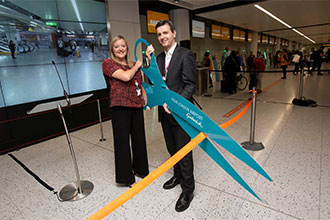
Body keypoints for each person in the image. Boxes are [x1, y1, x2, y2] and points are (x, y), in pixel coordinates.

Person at [146, 20, 196, 212]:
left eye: (165, 33)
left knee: (184, 152)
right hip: (164, 114)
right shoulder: (158, 58)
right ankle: (177, 176)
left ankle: (188, 190)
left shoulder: (186, 55)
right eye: (159, 34)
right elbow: (154, 83)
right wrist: (149, 61)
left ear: (174, 33)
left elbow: (190, 85)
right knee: (172, 149)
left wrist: (174, 104)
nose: (162, 37)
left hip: (181, 113)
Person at [102, 35, 149, 188]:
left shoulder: (133, 64)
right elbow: (126, 76)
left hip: (136, 106)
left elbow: (139, 83)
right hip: (119, 108)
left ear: (127, 48)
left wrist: (145, 98)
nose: (120, 49)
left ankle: (141, 170)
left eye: (123, 46)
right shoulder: (108, 64)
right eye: (117, 46)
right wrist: (137, 66)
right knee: (122, 143)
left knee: (139, 139)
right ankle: (126, 178)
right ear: (112, 50)